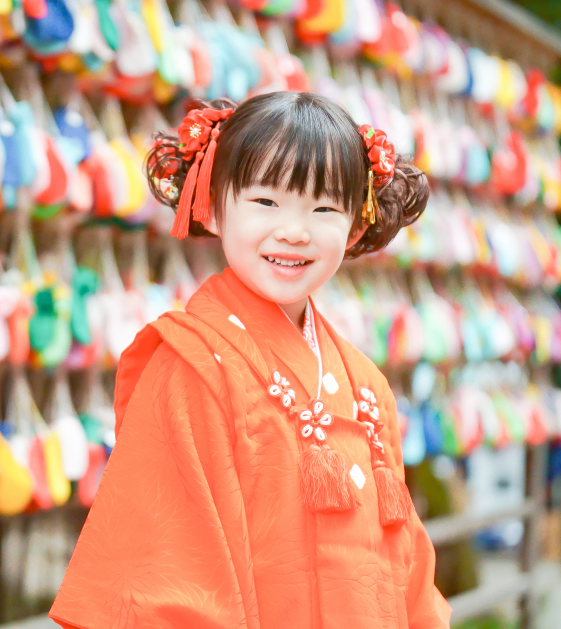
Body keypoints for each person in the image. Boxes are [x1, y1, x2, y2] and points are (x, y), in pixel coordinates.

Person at [48, 92, 451, 629]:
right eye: (266, 202)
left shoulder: (366, 385)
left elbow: (408, 570)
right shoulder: (192, 367)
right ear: (212, 205)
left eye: (324, 208)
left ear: (357, 225)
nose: (294, 230)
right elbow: (165, 585)